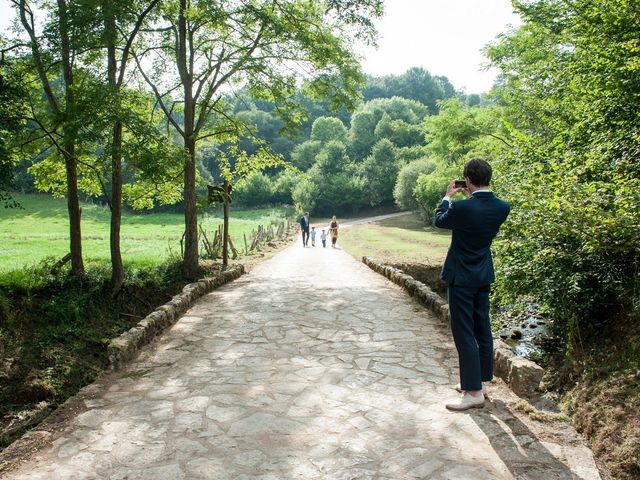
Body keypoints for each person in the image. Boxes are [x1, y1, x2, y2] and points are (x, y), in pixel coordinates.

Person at [434, 158, 510, 411]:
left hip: (461, 276)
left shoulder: (463, 208)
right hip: (483, 273)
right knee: (482, 327)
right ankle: (480, 381)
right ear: (488, 178)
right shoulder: (502, 207)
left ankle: (473, 391)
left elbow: (440, 220)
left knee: (464, 331)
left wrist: (448, 197)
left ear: (467, 180)